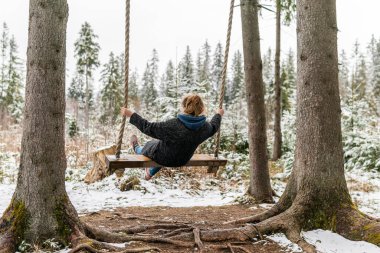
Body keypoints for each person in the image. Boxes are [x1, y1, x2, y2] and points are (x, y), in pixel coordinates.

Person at [121, 94, 224, 180]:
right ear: (201, 109)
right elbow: (214, 127)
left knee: (150, 147)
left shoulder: (174, 125)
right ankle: (149, 172)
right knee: (166, 146)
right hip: (183, 160)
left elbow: (148, 127)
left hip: (164, 157)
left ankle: (136, 148)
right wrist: (218, 115)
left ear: (185, 107)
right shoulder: (205, 127)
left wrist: (131, 114)